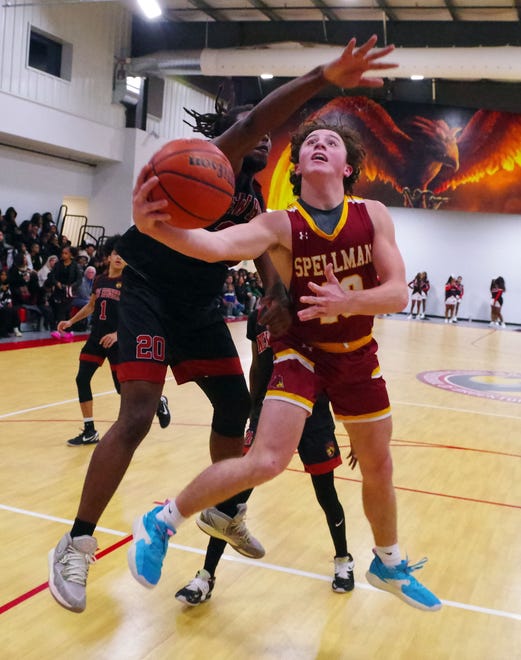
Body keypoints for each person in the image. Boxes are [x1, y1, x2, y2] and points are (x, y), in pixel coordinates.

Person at [47, 35, 398, 614]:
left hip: (202, 306)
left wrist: (279, 298)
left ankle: (226, 510)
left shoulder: (255, 200)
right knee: (136, 414)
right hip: (148, 290)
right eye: (254, 131)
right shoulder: (214, 160)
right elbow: (261, 116)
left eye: (266, 136)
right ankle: (78, 541)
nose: (263, 137)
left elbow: (261, 258)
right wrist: (322, 77)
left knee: (237, 412)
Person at [128, 116, 442, 613]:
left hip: (357, 351)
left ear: (348, 165)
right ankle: (161, 522)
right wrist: (158, 229)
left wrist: (347, 304)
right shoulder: (279, 224)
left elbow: (399, 290)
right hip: (303, 352)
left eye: (331, 142)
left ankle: (387, 561)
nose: (319, 144)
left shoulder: (374, 215)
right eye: (310, 142)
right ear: (296, 166)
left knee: (379, 464)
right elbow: (218, 246)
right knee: (267, 461)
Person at [175, 308, 356, 605]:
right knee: (233, 494)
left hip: (313, 409)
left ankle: (343, 558)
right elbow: (258, 365)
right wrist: (251, 409)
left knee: (326, 492)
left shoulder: (312, 307)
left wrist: (352, 424)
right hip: (268, 408)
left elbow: (338, 369)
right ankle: (205, 576)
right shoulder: (259, 314)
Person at [56, 236, 171, 447]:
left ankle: (158, 402)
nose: (119, 257)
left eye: (123, 255)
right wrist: (70, 321)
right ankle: (89, 431)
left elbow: (137, 312)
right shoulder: (99, 280)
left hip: (120, 340)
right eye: (116, 253)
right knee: (82, 379)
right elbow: (91, 306)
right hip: (97, 337)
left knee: (123, 389)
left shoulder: (131, 282)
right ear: (109, 256)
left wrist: (118, 334)